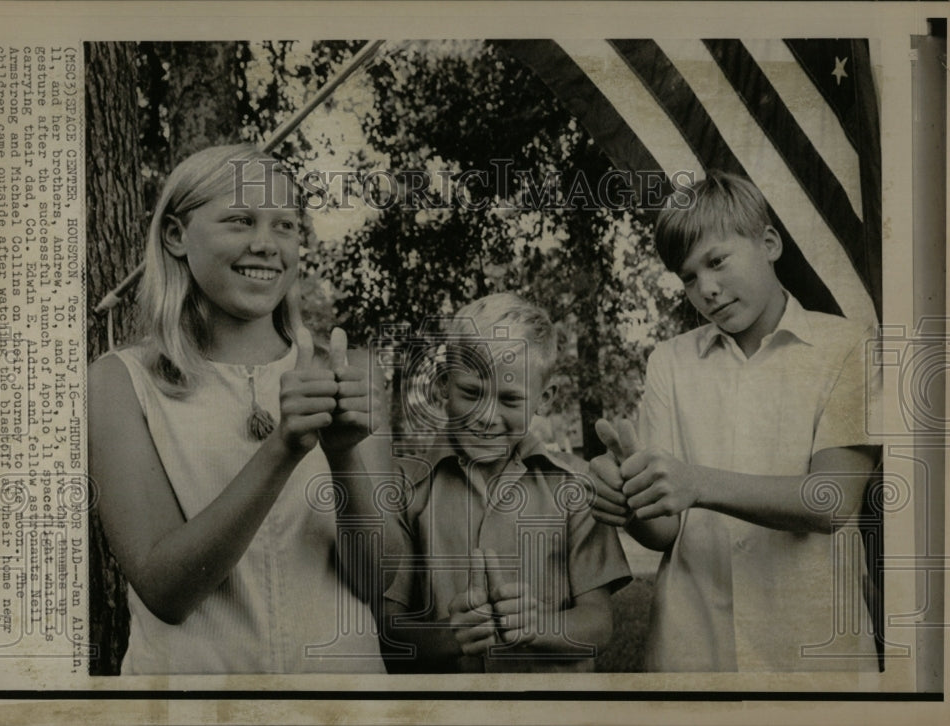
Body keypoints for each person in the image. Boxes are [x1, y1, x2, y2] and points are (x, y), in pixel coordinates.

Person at [88, 144, 389, 674]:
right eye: (240, 220)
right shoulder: (120, 382)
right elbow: (166, 590)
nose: (266, 245)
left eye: (286, 226)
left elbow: (378, 579)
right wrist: (283, 448)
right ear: (176, 236)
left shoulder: (352, 372)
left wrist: (344, 458)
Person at [589, 171, 881, 672]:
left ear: (768, 243)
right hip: (695, 648)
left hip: (813, 652)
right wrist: (629, 501)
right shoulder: (670, 361)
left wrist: (694, 482)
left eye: (717, 261)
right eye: (687, 276)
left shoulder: (850, 346)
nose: (707, 288)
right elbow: (664, 530)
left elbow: (831, 500)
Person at [382, 293, 630, 673]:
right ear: (444, 385)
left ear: (543, 399)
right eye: (471, 393)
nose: (487, 416)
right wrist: (452, 637)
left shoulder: (576, 487)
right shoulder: (404, 488)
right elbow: (387, 633)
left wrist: (537, 627)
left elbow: (598, 624)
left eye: (511, 399)